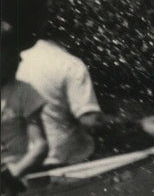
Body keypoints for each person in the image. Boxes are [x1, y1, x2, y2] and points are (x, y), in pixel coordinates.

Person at [15, 24, 110, 167]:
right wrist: (128, 122)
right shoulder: (70, 64)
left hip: (21, 165)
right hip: (67, 161)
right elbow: (90, 121)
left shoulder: (14, 59)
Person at [1, 21, 47, 185]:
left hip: (17, 178)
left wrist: (15, 171)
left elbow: (40, 145)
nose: (20, 59)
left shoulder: (24, 92)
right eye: (11, 54)